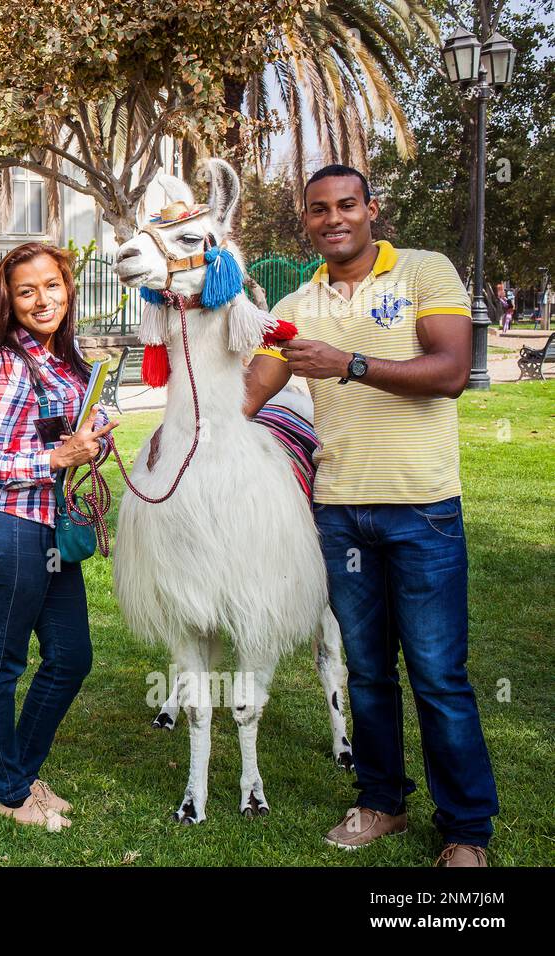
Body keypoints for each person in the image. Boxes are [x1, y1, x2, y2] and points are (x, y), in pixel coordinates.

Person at [240, 164, 499, 867]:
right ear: (308, 221)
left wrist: (347, 362)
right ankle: (381, 801)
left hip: (423, 510)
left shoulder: (423, 271)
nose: (333, 218)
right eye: (318, 209)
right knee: (369, 671)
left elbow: (450, 372)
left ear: (370, 209)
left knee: (439, 673)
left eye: (346, 204)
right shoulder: (296, 303)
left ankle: (465, 831)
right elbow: (247, 395)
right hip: (342, 515)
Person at [0, 242, 118, 830]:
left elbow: (56, 435)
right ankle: (9, 792)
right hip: (6, 524)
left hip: (49, 525)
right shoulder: (6, 361)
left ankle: (18, 775)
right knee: (2, 664)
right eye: (27, 291)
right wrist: (57, 456)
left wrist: (91, 436)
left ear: (67, 288)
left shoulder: (64, 359)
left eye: (52, 285)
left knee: (71, 657)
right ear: (10, 301)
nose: (42, 299)